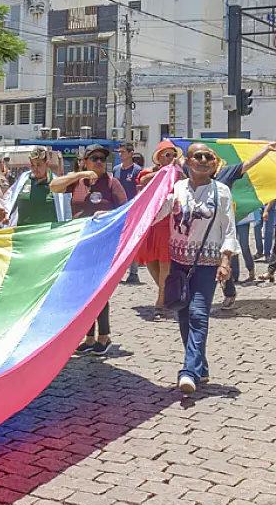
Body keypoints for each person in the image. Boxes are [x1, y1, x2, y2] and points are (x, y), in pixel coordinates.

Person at [153, 143, 239, 394]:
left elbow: (229, 229)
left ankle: (188, 370)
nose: (202, 159)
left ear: (214, 164)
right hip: (179, 261)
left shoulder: (221, 191)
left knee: (198, 314)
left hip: (207, 263)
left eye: (208, 156)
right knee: (182, 312)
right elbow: (157, 213)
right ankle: (201, 368)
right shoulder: (177, 188)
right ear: (187, 162)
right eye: (197, 156)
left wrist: (225, 261)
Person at [52, 144, 129, 355]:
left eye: (102, 159)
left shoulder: (112, 183)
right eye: (94, 158)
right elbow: (54, 186)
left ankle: (104, 337)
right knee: (82, 291)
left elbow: (126, 211)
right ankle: (88, 337)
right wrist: (79, 174)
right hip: (80, 242)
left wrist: (106, 214)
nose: (99, 162)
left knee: (98, 290)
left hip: (102, 244)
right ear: (85, 161)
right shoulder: (78, 182)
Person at [215, 142, 276, 308]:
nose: (203, 160)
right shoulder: (195, 174)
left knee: (229, 254)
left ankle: (229, 291)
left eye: (209, 157)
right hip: (202, 226)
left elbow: (248, 163)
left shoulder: (226, 173)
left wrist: (265, 150)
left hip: (228, 221)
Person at [136, 141, 181, 309]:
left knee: (165, 262)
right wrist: (164, 172)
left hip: (168, 223)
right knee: (150, 261)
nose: (171, 158)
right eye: (167, 155)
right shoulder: (148, 172)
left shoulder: (178, 173)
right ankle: (166, 292)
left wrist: (176, 170)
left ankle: (161, 299)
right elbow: (143, 181)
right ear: (159, 158)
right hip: (150, 223)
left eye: (173, 155)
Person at [4, 146, 71, 226]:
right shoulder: (23, 179)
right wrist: (6, 213)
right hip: (23, 233)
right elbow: (9, 196)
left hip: (47, 235)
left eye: (38, 165)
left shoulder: (56, 182)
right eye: (32, 165)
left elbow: (67, 209)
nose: (35, 169)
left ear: (47, 164)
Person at [114, 142, 143, 284]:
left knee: (131, 241)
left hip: (132, 210)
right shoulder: (115, 170)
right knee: (117, 242)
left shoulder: (137, 170)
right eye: (119, 152)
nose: (120, 154)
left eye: (123, 152)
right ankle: (116, 272)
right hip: (118, 210)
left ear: (131, 153)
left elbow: (140, 191)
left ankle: (133, 272)